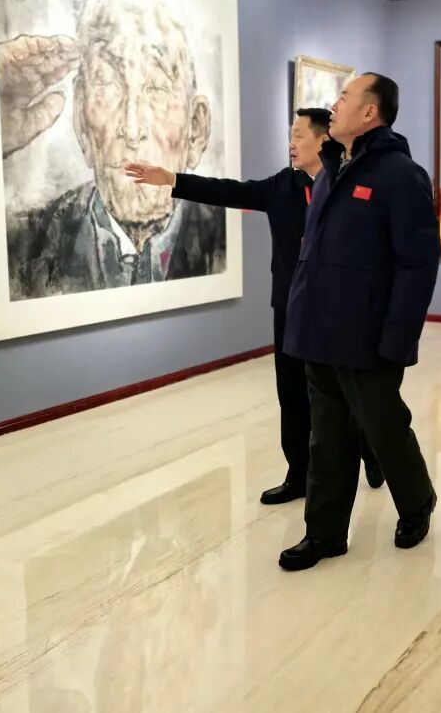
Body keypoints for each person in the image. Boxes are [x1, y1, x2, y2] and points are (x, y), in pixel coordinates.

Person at [125, 109, 383, 504]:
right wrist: (172, 179)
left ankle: (370, 449)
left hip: (336, 310)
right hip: (290, 308)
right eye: (290, 136)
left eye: (299, 135)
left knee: (345, 393)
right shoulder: (283, 186)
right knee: (292, 394)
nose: (291, 144)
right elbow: (229, 191)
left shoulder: (348, 186)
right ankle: (299, 474)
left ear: (323, 141)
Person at [277, 74, 440, 571]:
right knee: (326, 436)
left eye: (344, 98)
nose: (334, 105)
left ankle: (417, 502)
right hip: (318, 332)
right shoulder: (331, 168)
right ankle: (324, 534)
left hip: (368, 337)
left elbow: (417, 265)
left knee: (383, 426)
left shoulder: (401, 175)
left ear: (370, 112)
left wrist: (399, 337)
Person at [4, 0, 224, 300]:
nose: (131, 129)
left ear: (196, 130)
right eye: (108, 84)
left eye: (157, 88)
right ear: (81, 121)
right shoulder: (22, 249)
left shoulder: (225, 239)